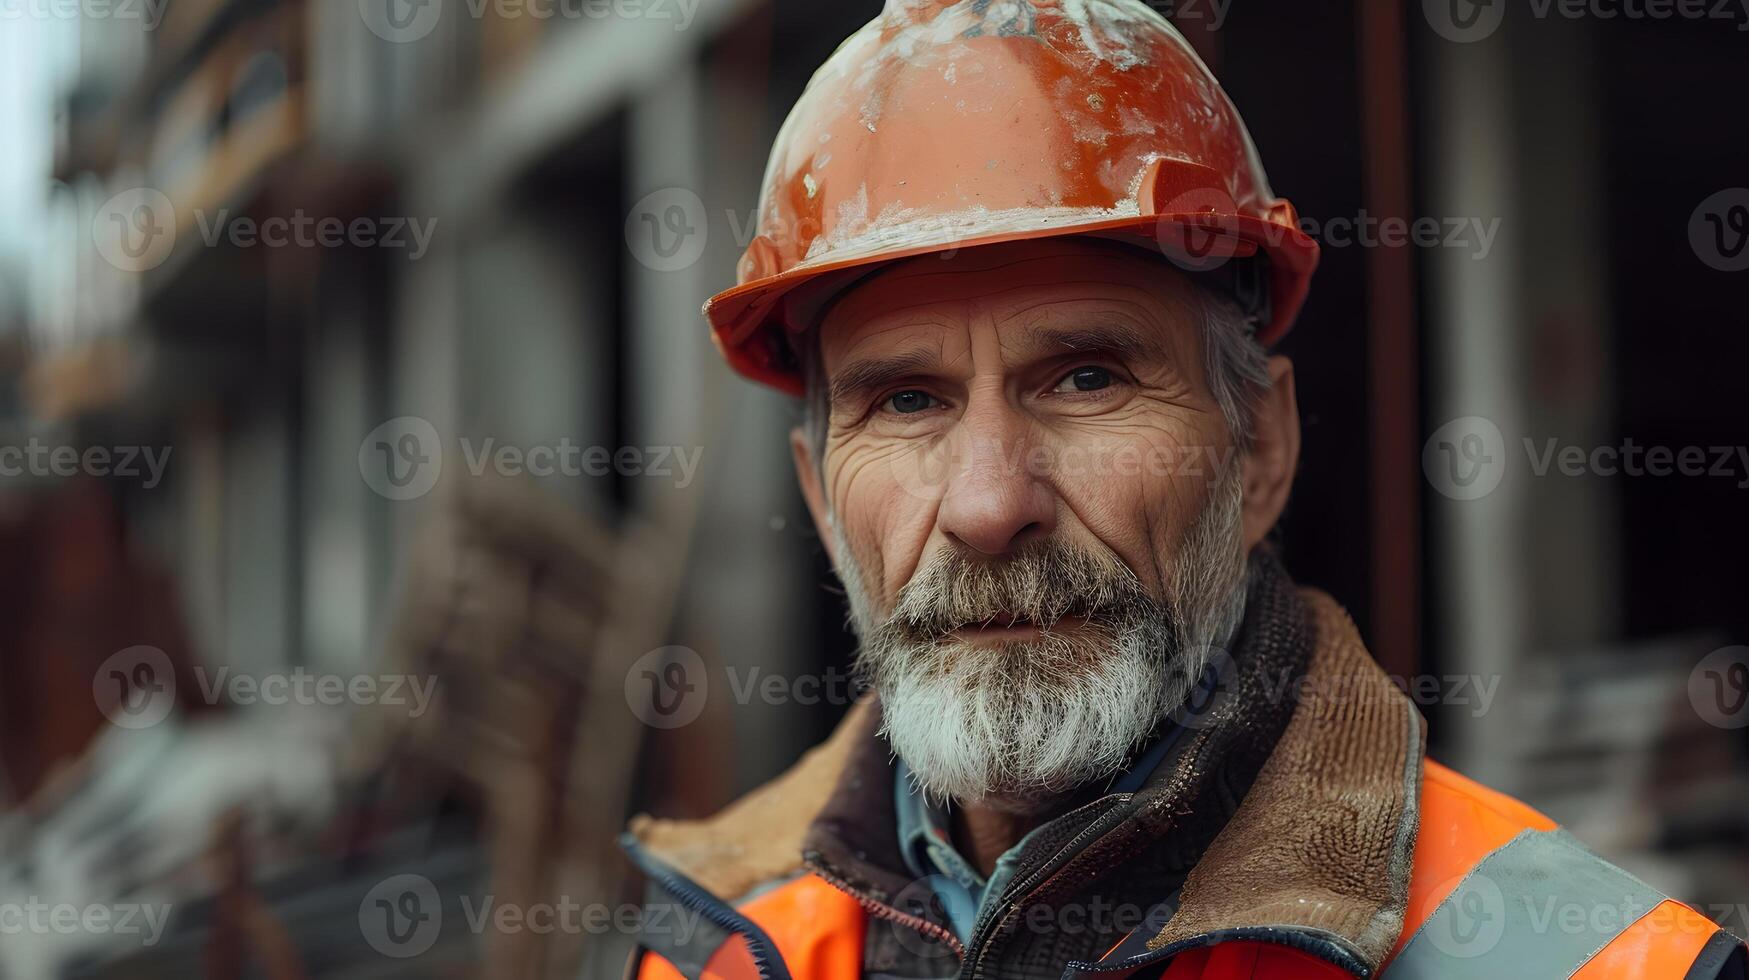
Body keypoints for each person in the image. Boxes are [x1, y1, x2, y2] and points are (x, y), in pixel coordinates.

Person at [622, 2, 1747, 977]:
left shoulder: (1573, 955)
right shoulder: (711, 937)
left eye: (1087, 376)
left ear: (1258, 448)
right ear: (822, 502)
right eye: (906, 402)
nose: (987, 503)